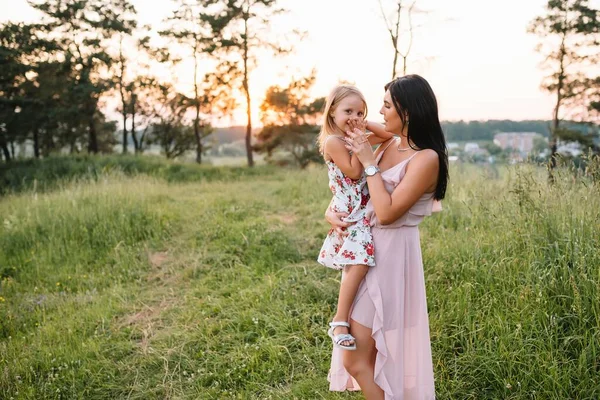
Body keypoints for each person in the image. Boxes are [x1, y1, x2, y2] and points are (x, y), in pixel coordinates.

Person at [326, 74, 448, 400]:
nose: (379, 112)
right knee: (362, 357)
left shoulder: (426, 158)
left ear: (406, 111)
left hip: (391, 257)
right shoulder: (391, 143)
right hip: (365, 250)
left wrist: (368, 163)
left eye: (386, 105)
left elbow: (386, 212)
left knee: (359, 355)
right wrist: (331, 212)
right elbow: (358, 192)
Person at [317, 84, 394, 351]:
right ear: (332, 114)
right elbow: (351, 171)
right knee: (359, 264)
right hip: (350, 211)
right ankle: (339, 321)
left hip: (361, 207)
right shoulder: (334, 142)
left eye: (360, 111)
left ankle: (347, 318)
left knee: (358, 265)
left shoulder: (357, 136)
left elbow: (388, 134)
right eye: (348, 111)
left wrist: (362, 125)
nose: (354, 117)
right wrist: (362, 149)